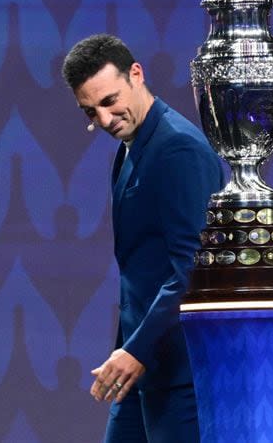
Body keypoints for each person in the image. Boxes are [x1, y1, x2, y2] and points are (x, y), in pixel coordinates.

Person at [62, 34, 224, 442]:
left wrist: (136, 350)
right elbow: (140, 272)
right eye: (90, 110)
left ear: (137, 74)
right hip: (141, 365)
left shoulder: (177, 149)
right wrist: (129, 350)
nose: (103, 119)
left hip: (179, 370)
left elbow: (192, 269)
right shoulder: (133, 145)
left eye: (110, 101)